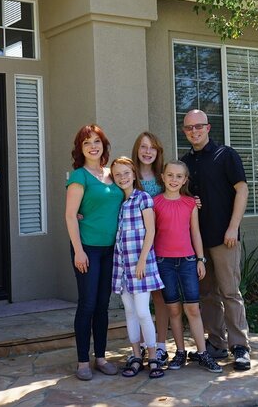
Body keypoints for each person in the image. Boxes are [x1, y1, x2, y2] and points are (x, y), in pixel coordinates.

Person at [180, 109, 252, 371]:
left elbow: (242, 190)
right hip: (198, 240)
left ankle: (240, 347)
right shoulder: (185, 163)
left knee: (230, 292)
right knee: (207, 293)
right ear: (184, 131)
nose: (194, 131)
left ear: (208, 128)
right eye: (189, 128)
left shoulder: (226, 155)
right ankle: (216, 344)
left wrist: (233, 227)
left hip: (225, 237)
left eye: (199, 126)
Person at [65, 124, 123, 381]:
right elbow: (70, 215)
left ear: (104, 145)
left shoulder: (113, 174)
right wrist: (78, 251)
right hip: (87, 248)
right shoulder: (79, 176)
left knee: (102, 305)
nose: (92, 146)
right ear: (80, 148)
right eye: (87, 142)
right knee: (87, 304)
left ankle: (100, 357)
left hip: (111, 249)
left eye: (96, 141)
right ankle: (82, 362)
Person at [153, 160, 222, 373]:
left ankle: (202, 353)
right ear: (163, 177)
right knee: (173, 309)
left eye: (179, 176)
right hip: (163, 262)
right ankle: (180, 352)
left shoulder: (190, 203)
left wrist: (201, 259)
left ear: (185, 180)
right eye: (170, 175)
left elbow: (195, 233)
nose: (174, 180)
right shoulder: (154, 202)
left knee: (192, 308)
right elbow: (151, 233)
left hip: (188, 261)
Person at [109, 157, 165, 378]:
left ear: (133, 173)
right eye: (117, 175)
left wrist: (142, 260)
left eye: (126, 173)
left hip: (141, 265)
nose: (122, 178)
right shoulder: (118, 203)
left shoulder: (143, 198)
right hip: (122, 267)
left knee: (142, 311)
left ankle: (153, 356)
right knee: (130, 312)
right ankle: (135, 356)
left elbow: (150, 231)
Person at [131, 132, 170, 365]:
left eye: (152, 148)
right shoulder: (129, 176)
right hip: (137, 247)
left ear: (158, 152)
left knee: (159, 297)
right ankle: (144, 344)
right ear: (137, 149)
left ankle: (162, 344)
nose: (148, 152)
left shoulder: (163, 177)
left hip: (162, 242)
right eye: (143, 147)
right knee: (138, 301)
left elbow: (178, 196)